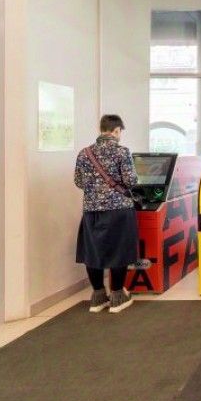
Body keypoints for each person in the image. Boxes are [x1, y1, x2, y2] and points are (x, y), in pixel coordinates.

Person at [74, 114, 139, 314]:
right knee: (119, 252)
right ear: (117, 130)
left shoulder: (84, 153)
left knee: (93, 252)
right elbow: (131, 181)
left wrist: (96, 190)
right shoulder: (122, 152)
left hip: (92, 211)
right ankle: (118, 297)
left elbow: (79, 182)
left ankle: (98, 297)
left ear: (101, 129)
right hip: (119, 210)